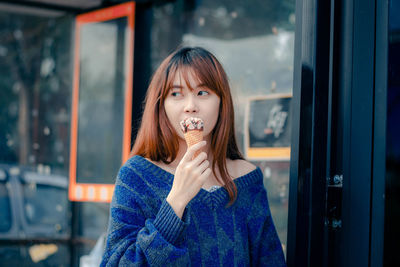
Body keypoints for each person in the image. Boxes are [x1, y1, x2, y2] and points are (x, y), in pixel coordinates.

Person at [100, 47, 286, 266]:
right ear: (162, 105)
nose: (190, 106)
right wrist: (177, 199)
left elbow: (270, 260)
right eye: (176, 94)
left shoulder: (247, 178)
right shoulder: (136, 177)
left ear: (221, 102)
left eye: (202, 93)